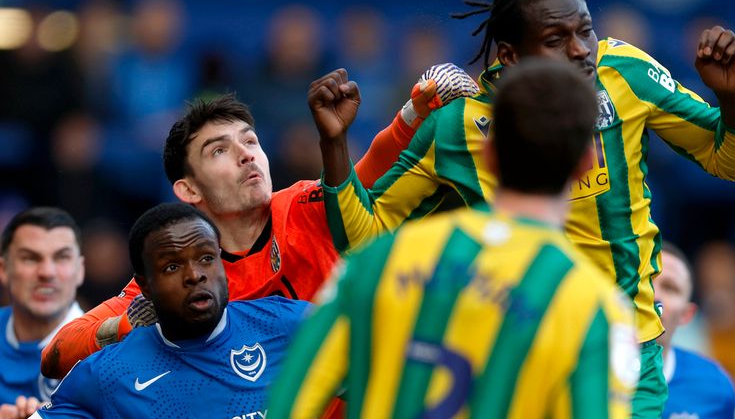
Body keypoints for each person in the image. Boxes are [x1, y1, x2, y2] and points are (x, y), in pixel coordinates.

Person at [313, 0, 735, 416]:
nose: (581, 49)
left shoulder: (626, 73)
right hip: (515, 356)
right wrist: (335, 147)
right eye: (555, 40)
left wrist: (732, 97)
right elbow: (365, 237)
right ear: (509, 55)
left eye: (584, 30)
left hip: (626, 350)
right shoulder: (458, 126)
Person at [40, 65, 478, 380]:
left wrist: (412, 113)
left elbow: (365, 176)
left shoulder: (303, 206)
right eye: (219, 150)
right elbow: (56, 354)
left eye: (250, 140)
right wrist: (132, 323)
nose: (246, 153)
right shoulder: (178, 275)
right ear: (189, 190)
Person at [269, 60, 638, 418]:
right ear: (587, 162)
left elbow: (294, 396)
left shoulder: (375, 264)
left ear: (488, 154)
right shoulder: (595, 308)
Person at [32, 203, 309, 418]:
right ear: (145, 286)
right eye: (172, 267)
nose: (195, 275)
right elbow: (53, 359)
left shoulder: (287, 324)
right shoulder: (107, 374)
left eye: (206, 258)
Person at [0, 207, 84, 419]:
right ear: (3, 270)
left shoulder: (109, 353)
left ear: (80, 270)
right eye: (30, 258)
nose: (47, 272)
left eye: (61, 257)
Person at [656, 243, 735, 419]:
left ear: (686, 315)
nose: (655, 296)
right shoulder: (589, 366)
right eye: (645, 279)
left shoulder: (715, 389)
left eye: (670, 287)